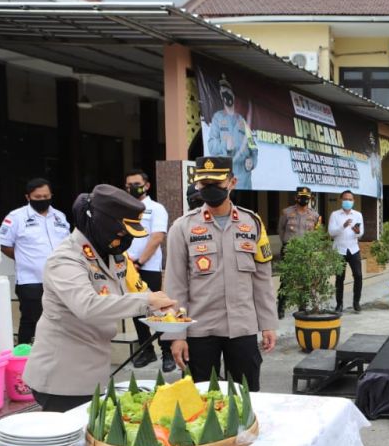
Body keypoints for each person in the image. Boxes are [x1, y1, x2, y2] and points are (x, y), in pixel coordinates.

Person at [22, 185, 174, 412]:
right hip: (62, 376)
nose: (125, 240)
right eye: (122, 233)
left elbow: (127, 294)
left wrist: (161, 310)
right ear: (103, 226)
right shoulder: (66, 259)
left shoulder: (110, 254)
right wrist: (147, 301)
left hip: (93, 370)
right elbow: (88, 306)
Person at [163, 156, 277, 389]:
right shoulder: (182, 227)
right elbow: (175, 286)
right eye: (205, 185)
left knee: (247, 396)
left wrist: (268, 324)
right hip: (200, 330)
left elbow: (262, 279)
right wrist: (177, 336)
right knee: (204, 401)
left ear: (232, 182)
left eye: (217, 184)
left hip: (242, 328)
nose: (211, 190)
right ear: (197, 186)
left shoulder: (252, 223)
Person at [0, 178, 71, 344]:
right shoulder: (16, 217)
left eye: (46, 196)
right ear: (28, 197)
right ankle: (24, 357)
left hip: (60, 280)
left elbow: (68, 244)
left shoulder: (59, 217)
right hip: (31, 280)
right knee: (32, 321)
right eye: (37, 197)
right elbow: (4, 245)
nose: (42, 199)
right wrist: (25, 259)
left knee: (61, 320)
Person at [122, 169, 173, 373]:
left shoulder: (156, 208)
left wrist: (140, 262)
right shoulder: (124, 208)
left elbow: (157, 238)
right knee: (136, 310)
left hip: (147, 267)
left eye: (136, 184)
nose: (132, 188)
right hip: (127, 269)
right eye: (128, 185)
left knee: (157, 310)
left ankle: (167, 351)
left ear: (147, 185)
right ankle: (146, 349)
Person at [277, 186, 322, 318]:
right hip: (289, 250)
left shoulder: (314, 215)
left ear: (310, 199)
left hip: (306, 251)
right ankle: (281, 306)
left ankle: (302, 307)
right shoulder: (286, 212)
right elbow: (281, 229)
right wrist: (287, 243)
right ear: (296, 197)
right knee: (286, 279)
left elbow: (316, 234)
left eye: (306, 197)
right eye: (301, 197)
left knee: (304, 280)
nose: (304, 199)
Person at [206, 75, 257, 189]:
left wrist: (252, 161)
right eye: (222, 90)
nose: (225, 92)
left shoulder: (243, 121)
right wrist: (225, 146)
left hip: (244, 182)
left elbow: (254, 148)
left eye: (227, 90)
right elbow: (211, 145)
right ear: (220, 95)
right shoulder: (217, 118)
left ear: (233, 94)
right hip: (225, 182)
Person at [328, 190, 364, 313]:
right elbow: (331, 233)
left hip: (354, 249)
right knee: (339, 278)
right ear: (341, 200)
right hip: (339, 250)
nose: (347, 201)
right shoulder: (335, 215)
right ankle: (339, 304)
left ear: (353, 201)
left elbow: (361, 232)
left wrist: (357, 231)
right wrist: (342, 226)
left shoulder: (358, 215)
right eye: (345, 199)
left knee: (358, 275)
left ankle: (356, 302)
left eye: (350, 199)